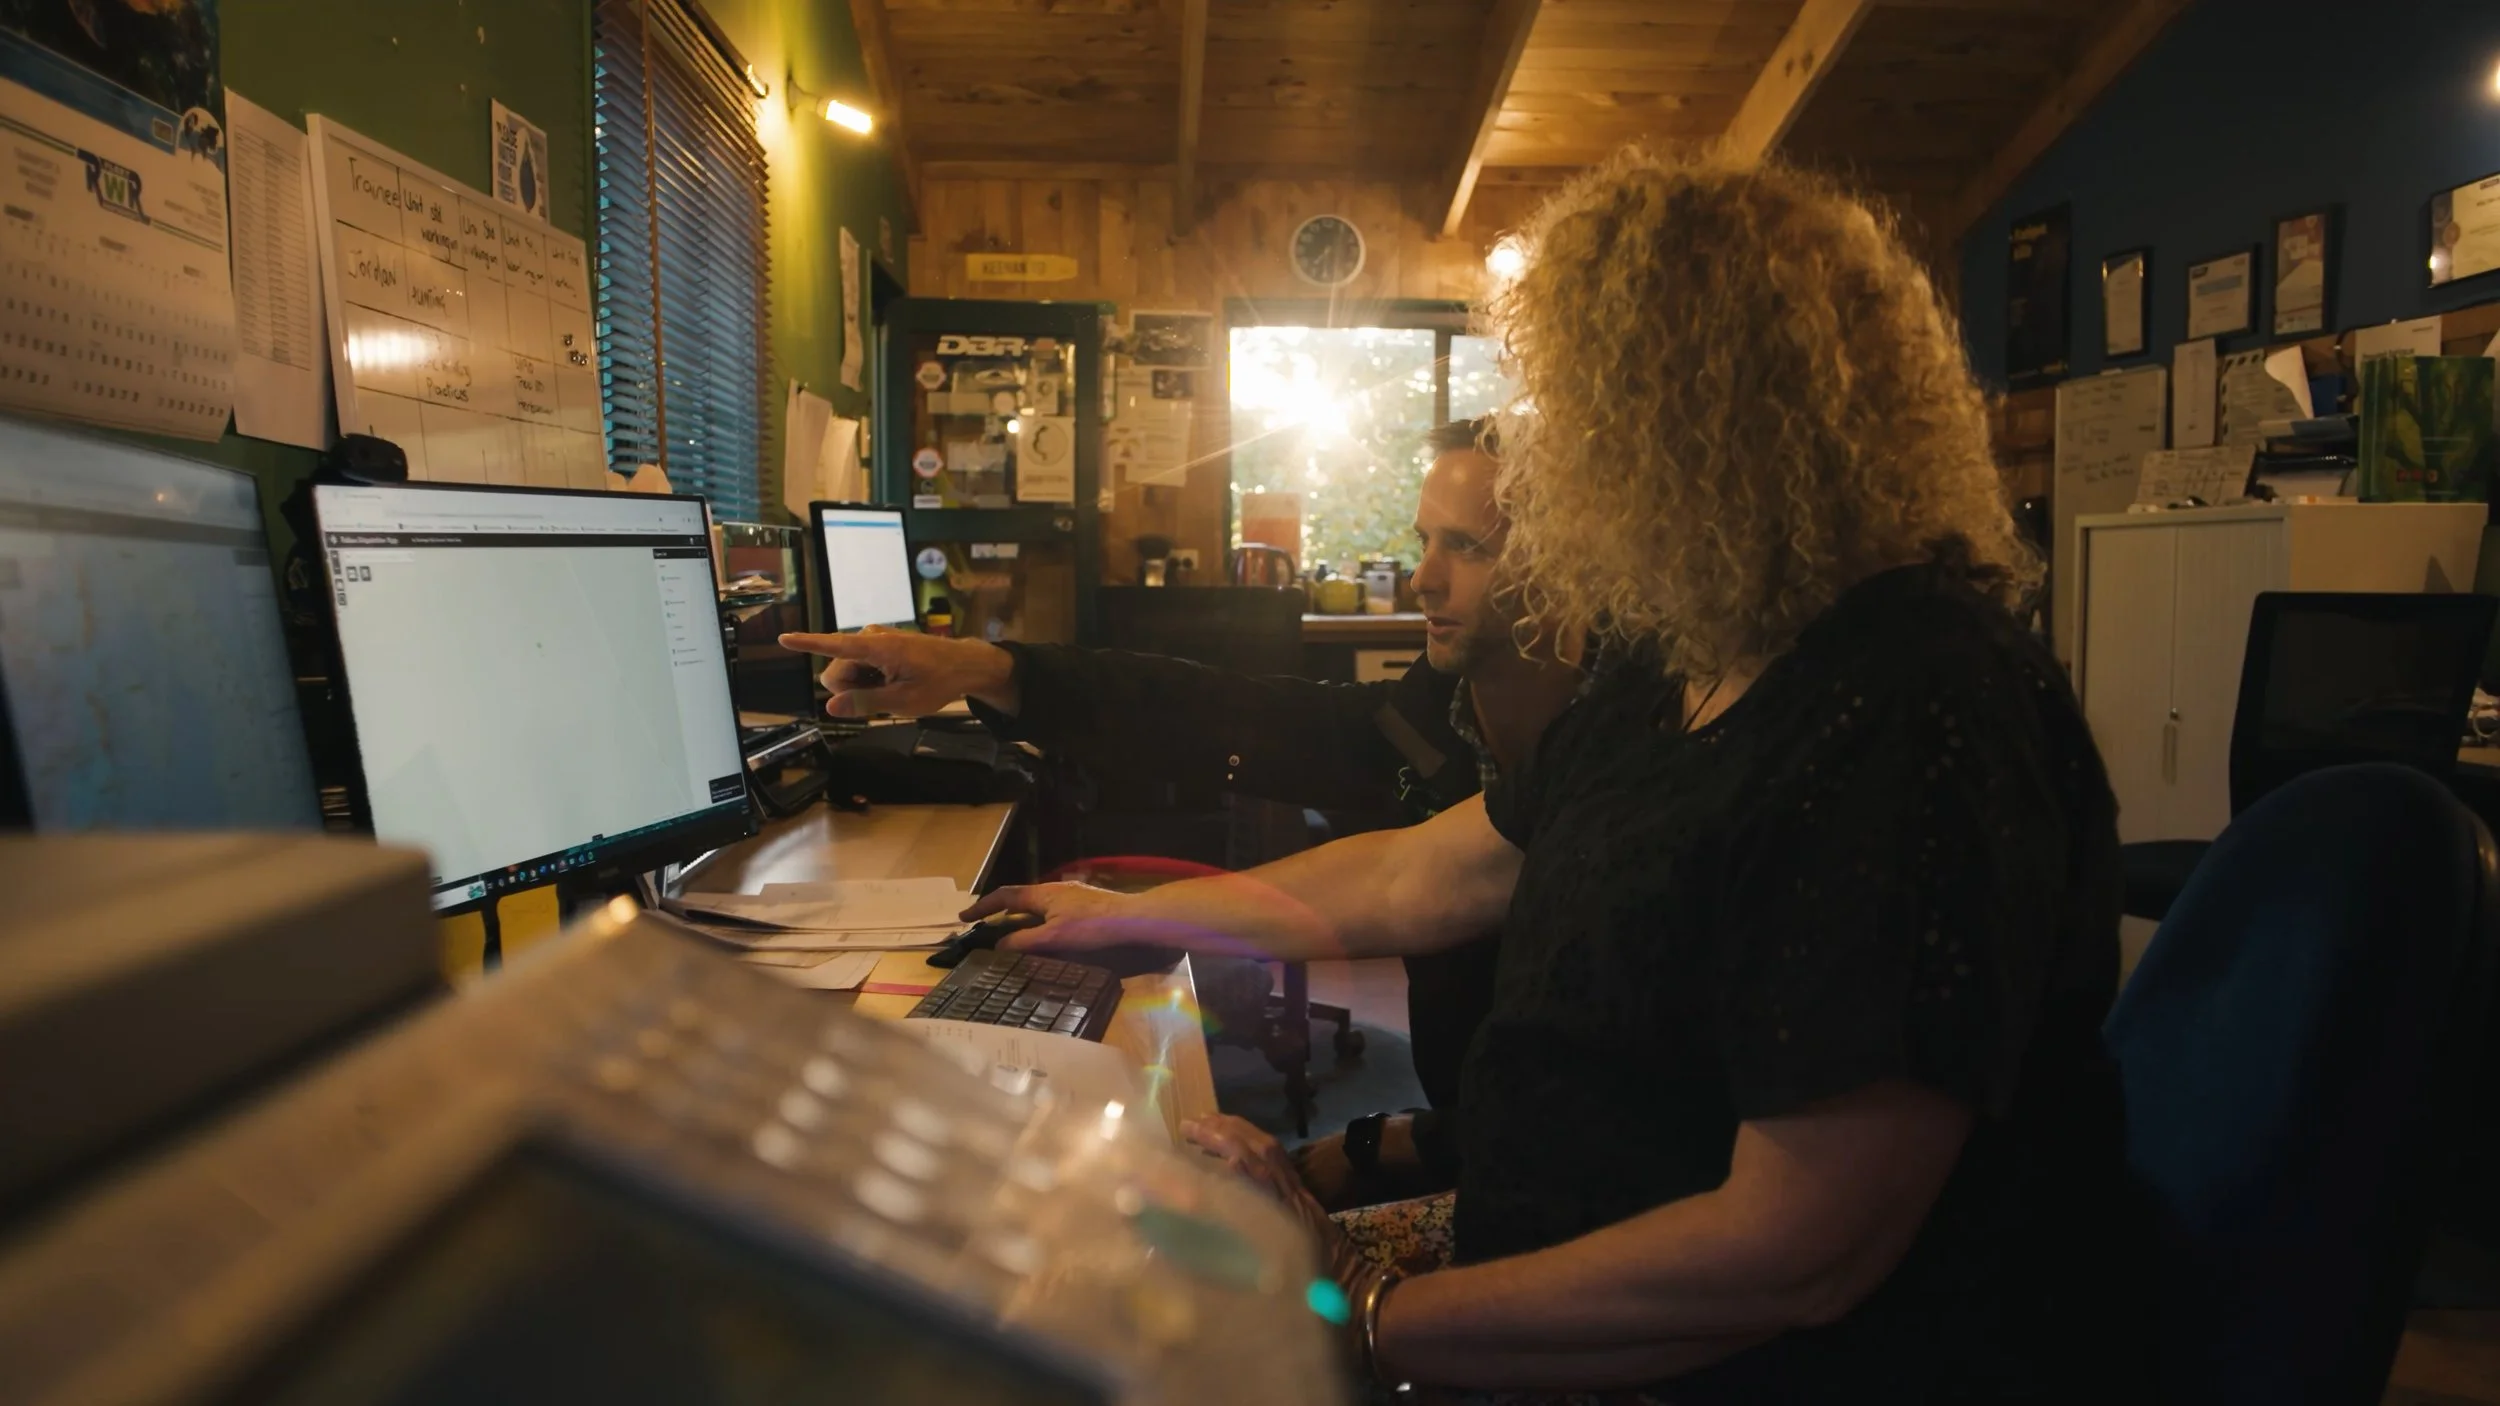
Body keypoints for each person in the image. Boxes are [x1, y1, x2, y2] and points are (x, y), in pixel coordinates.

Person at [966, 148, 2144, 1402]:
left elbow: (1795, 1253)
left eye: (1578, 414)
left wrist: (1362, 1309)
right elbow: (1426, 870)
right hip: (1524, 1288)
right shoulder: (1680, 662)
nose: (1560, 459)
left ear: (1708, 423)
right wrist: (1134, 920)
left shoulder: (1919, 705)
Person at [780, 421, 1584, 1208]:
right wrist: (990, 670)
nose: (1423, 581)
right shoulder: (1444, 706)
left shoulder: (1623, 762)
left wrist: (1382, 1160)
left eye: (1468, 548)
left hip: (1562, 1217)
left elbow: (1408, 885)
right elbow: (1231, 713)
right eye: (1424, 543)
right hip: (1476, 1144)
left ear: (1581, 564)